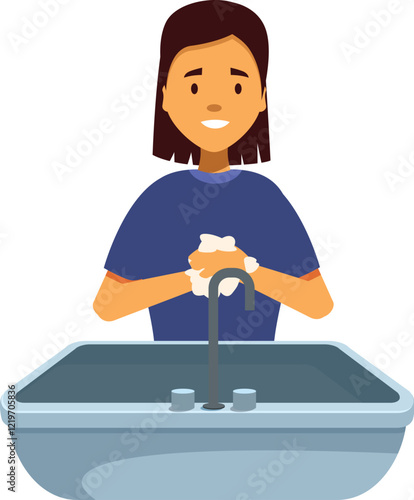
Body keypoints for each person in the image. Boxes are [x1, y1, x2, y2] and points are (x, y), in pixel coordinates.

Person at [93, 0, 333, 341]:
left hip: (257, 378)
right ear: (166, 96)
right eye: (194, 86)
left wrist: (246, 270)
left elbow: (317, 302)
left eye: (237, 86)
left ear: (261, 97)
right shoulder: (159, 199)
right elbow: (108, 305)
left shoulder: (264, 199)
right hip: (171, 381)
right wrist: (191, 278)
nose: (215, 103)